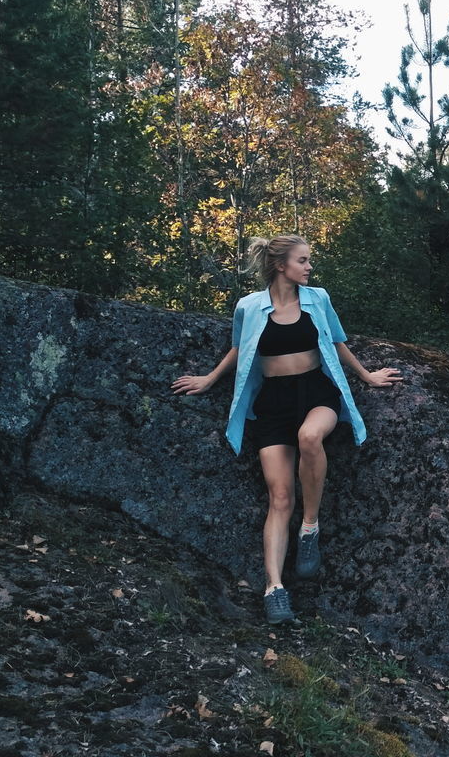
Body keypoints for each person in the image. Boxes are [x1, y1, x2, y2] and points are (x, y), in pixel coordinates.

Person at [172, 235, 401, 624]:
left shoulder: (318, 299)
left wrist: (367, 375)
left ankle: (309, 527)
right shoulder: (248, 306)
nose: (309, 267)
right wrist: (210, 379)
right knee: (279, 497)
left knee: (310, 437)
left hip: (316, 392)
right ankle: (274, 589)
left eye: (309, 260)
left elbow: (338, 341)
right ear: (281, 266)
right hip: (272, 404)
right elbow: (240, 348)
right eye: (303, 260)